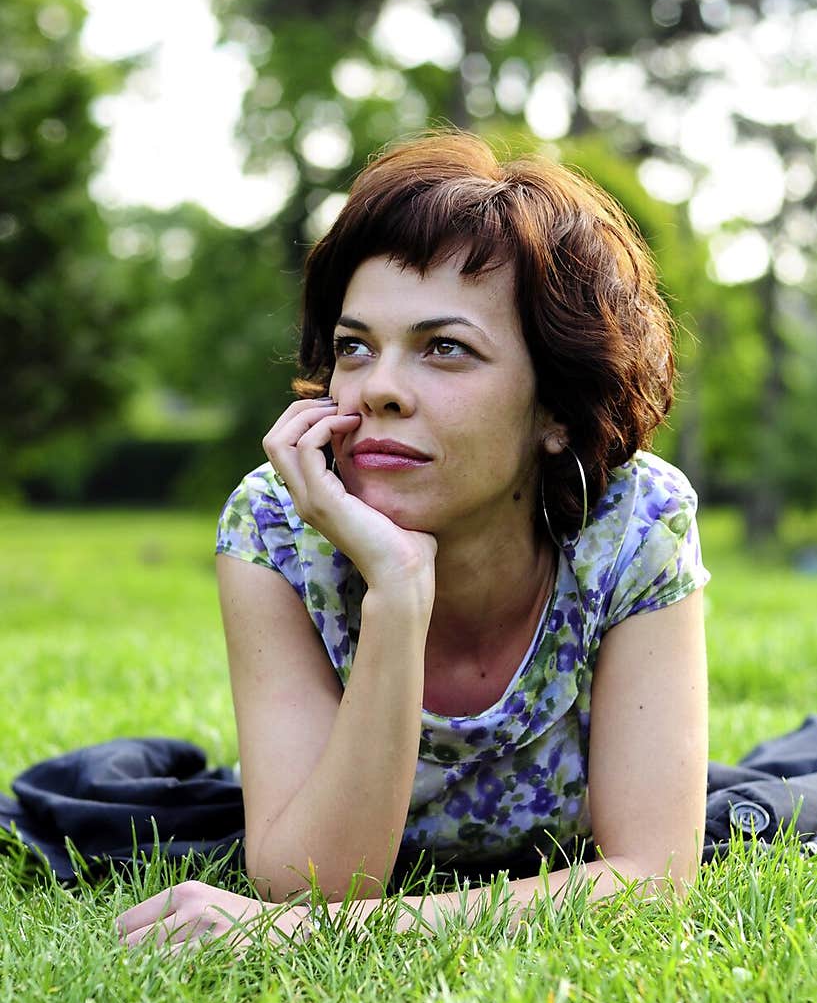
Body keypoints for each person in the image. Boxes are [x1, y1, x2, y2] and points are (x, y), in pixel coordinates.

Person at [116, 128, 710, 954]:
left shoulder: (633, 522)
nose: (379, 389)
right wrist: (396, 590)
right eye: (356, 347)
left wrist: (331, 933)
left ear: (557, 409)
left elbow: (652, 876)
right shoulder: (277, 525)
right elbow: (309, 883)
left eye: (445, 349)